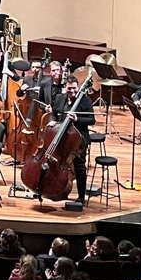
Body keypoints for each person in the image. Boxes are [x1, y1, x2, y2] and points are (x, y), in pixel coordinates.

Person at [46, 76, 94, 206]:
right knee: (55, 163)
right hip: (61, 137)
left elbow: (91, 120)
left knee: (79, 168)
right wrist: (52, 120)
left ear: (78, 87)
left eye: (74, 88)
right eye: (69, 89)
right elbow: (55, 115)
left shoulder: (84, 100)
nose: (72, 91)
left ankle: (81, 197)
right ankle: (53, 189)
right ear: (65, 88)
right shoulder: (60, 98)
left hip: (78, 140)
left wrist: (77, 119)